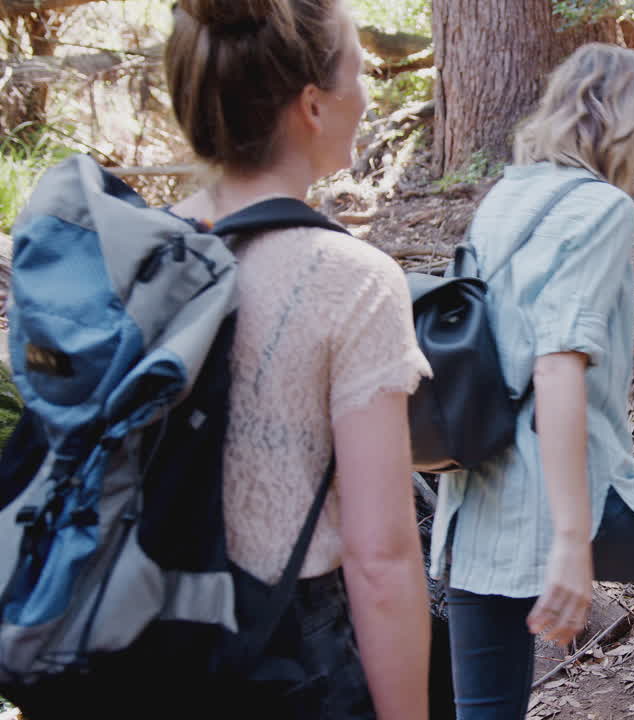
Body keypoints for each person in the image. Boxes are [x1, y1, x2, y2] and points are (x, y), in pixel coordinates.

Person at [429, 43, 634, 720]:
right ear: (631, 121)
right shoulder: (600, 209)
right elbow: (559, 364)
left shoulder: (505, 195)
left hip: (472, 498)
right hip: (560, 500)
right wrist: (569, 542)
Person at [165, 1, 433, 717]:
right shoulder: (352, 280)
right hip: (282, 656)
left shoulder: (129, 255)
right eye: (360, 69)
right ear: (313, 105)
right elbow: (380, 560)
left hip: (133, 647)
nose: (370, 91)